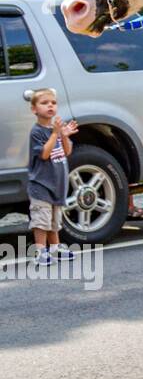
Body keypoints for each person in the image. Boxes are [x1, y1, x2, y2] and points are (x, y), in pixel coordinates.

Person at [26, 88, 77, 266]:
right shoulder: (37, 132)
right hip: (41, 185)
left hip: (57, 184)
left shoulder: (55, 129)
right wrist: (55, 133)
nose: (50, 106)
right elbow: (44, 155)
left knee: (55, 220)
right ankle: (40, 251)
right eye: (44, 103)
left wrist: (63, 136)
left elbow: (68, 151)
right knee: (41, 220)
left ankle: (55, 249)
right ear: (34, 109)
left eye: (53, 103)